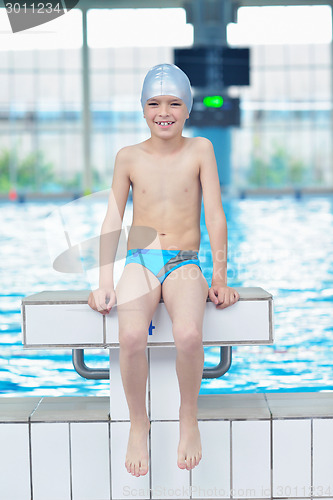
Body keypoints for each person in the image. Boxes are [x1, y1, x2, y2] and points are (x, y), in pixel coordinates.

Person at [88, 63, 239, 477]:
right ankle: (140, 423)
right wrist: (103, 281)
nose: (164, 111)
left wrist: (221, 277)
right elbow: (112, 220)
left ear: (188, 109)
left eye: (174, 103)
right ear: (142, 110)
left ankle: (187, 416)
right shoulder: (129, 157)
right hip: (141, 260)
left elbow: (215, 216)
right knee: (131, 336)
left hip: (185, 263)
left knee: (190, 334)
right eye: (154, 103)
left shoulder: (201, 150)